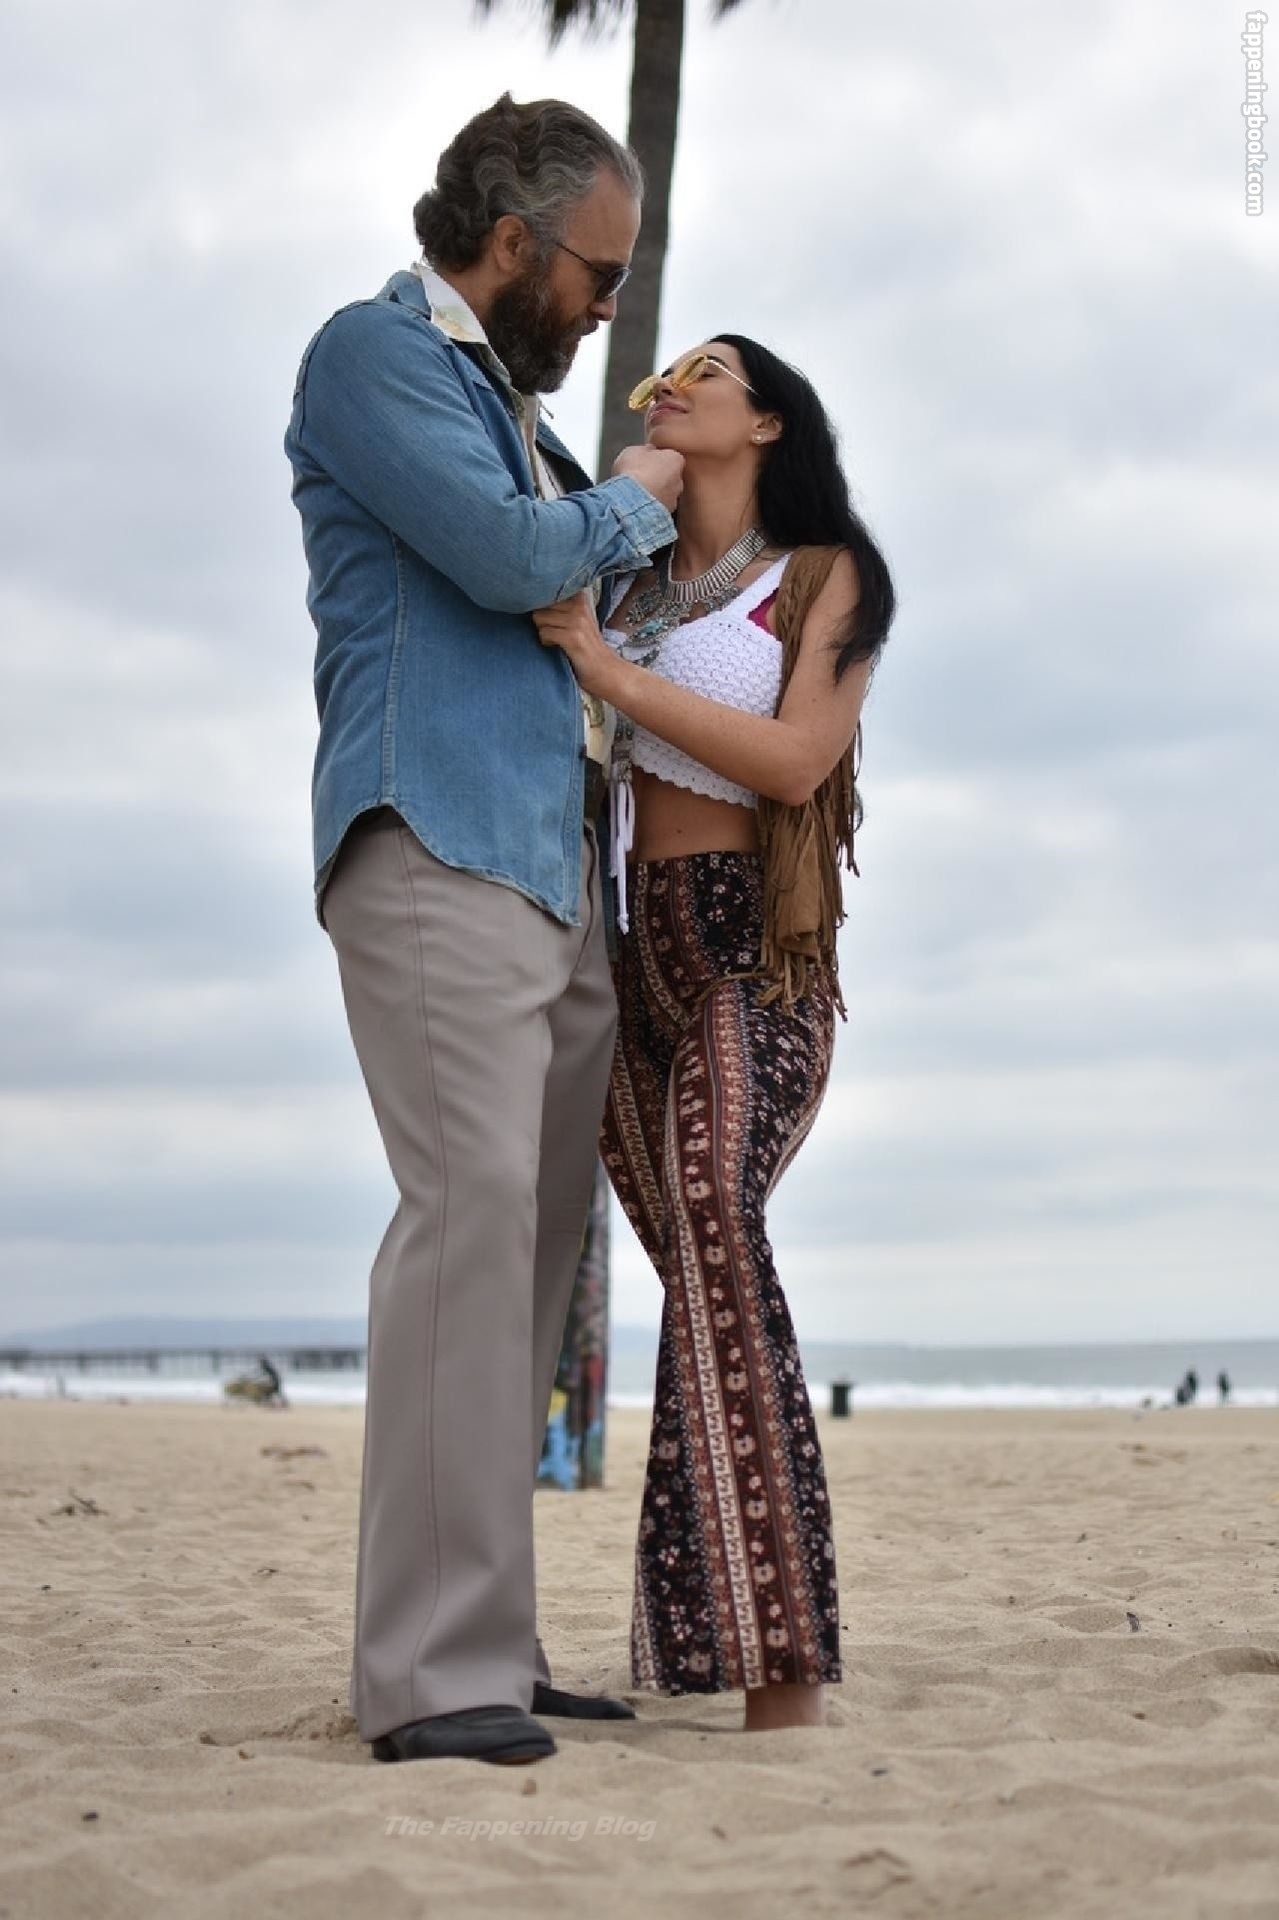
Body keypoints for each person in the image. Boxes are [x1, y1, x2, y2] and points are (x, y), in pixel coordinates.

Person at [283, 94, 684, 1768]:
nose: (606, 309)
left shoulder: (518, 415)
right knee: (465, 1228)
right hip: (436, 837)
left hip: (551, 872)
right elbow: (516, 562)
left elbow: (590, 597)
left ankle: (490, 1645)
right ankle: (433, 1674)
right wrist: (638, 493)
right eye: (598, 274)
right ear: (512, 241)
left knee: (521, 1262)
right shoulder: (372, 356)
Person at [533, 335, 895, 1731]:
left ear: (769, 423)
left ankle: (784, 1676)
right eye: (662, 373)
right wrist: (616, 510)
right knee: (705, 1277)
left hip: (759, 954)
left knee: (711, 1218)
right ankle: (702, 1638)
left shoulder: (824, 576)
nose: (670, 384)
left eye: (706, 373)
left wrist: (609, 677)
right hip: (627, 959)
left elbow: (797, 761)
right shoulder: (624, 583)